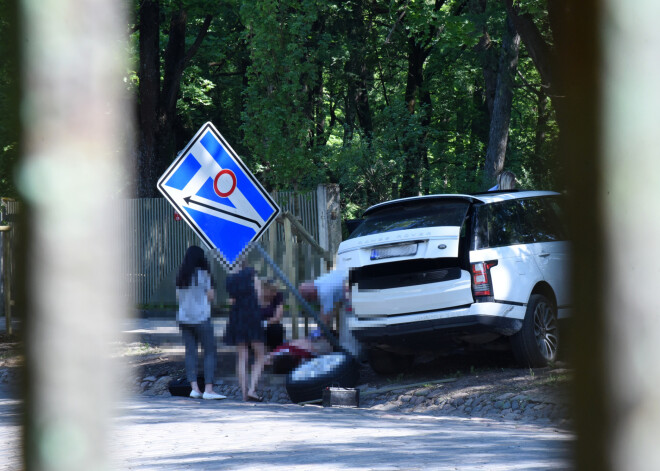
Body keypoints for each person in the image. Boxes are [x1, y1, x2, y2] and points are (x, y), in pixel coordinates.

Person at [175, 246, 226, 400]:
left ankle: (194, 389)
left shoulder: (181, 275)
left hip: (184, 319)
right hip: (202, 318)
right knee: (209, 352)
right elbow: (210, 296)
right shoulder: (204, 274)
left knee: (191, 353)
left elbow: (178, 297)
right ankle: (209, 390)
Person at [224, 262, 266, 402]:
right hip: (252, 315)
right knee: (260, 354)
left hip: (237, 316)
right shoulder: (251, 274)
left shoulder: (230, 279)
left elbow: (231, 300)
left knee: (242, 356)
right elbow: (259, 296)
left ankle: (243, 394)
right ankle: (252, 389)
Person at [299, 267, 361, 357]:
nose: (312, 300)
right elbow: (324, 311)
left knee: (348, 329)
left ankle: (351, 354)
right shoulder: (320, 282)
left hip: (353, 292)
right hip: (351, 289)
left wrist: (319, 333)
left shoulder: (324, 291)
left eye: (309, 298)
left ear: (311, 294)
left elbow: (326, 315)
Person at [260, 278, 285, 351]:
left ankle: (274, 350)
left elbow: (277, 317)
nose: (274, 293)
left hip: (268, 324)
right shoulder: (254, 297)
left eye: (275, 291)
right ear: (263, 289)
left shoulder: (278, 296)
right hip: (255, 326)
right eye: (271, 291)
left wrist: (264, 323)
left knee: (277, 328)